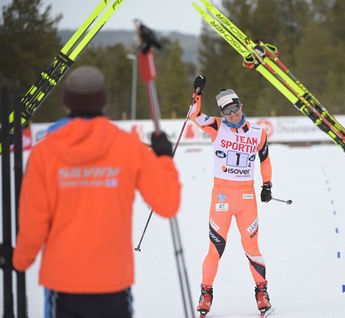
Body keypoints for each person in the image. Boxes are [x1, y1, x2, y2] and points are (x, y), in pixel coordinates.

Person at [12, 66, 181, 318]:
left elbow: (33, 224)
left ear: (67, 102)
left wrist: (19, 261)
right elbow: (167, 203)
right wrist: (165, 158)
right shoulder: (128, 147)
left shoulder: (43, 154)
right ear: (103, 101)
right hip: (113, 284)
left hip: (63, 284)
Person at [188, 75, 273, 316]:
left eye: (235, 110)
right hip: (222, 199)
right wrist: (197, 93)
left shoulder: (258, 133)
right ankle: (206, 292)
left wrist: (267, 185)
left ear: (241, 106)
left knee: (251, 246)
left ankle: (261, 291)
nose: (233, 116)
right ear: (222, 113)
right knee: (215, 249)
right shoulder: (216, 126)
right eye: (228, 112)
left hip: (246, 199)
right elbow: (194, 115)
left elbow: (265, 161)